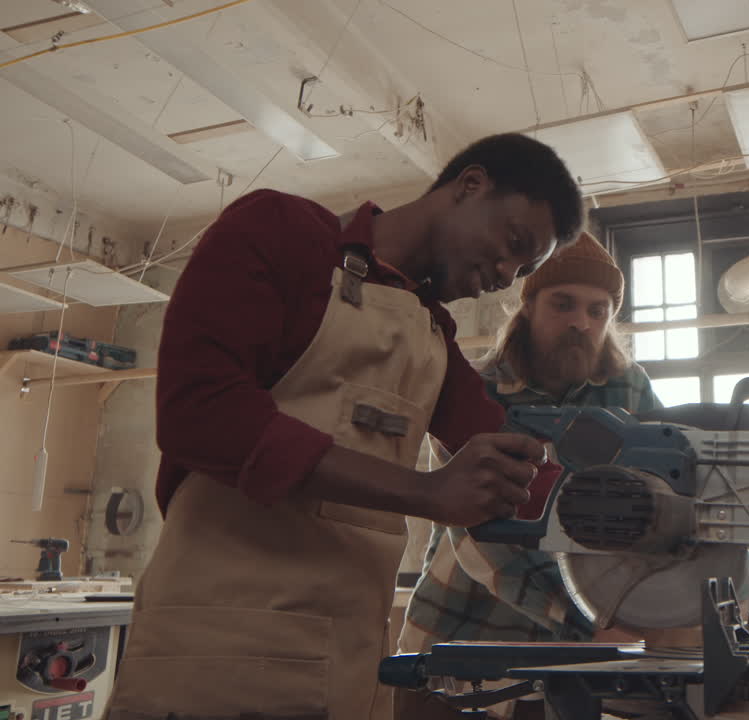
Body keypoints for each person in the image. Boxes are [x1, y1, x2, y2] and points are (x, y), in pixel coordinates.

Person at [105, 134, 583, 720]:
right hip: (217, 656)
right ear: (471, 185)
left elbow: (526, 464)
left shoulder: (431, 334)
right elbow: (201, 413)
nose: (508, 274)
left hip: (350, 672)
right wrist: (427, 493)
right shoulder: (281, 233)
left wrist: (656, 503)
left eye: (525, 268)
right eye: (513, 244)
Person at [400, 231, 660, 659]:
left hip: (597, 638)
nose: (582, 322)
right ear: (528, 306)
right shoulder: (477, 394)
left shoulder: (631, 391)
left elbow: (679, 496)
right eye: (563, 304)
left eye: (598, 310)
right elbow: (483, 534)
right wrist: (586, 624)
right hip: (465, 634)